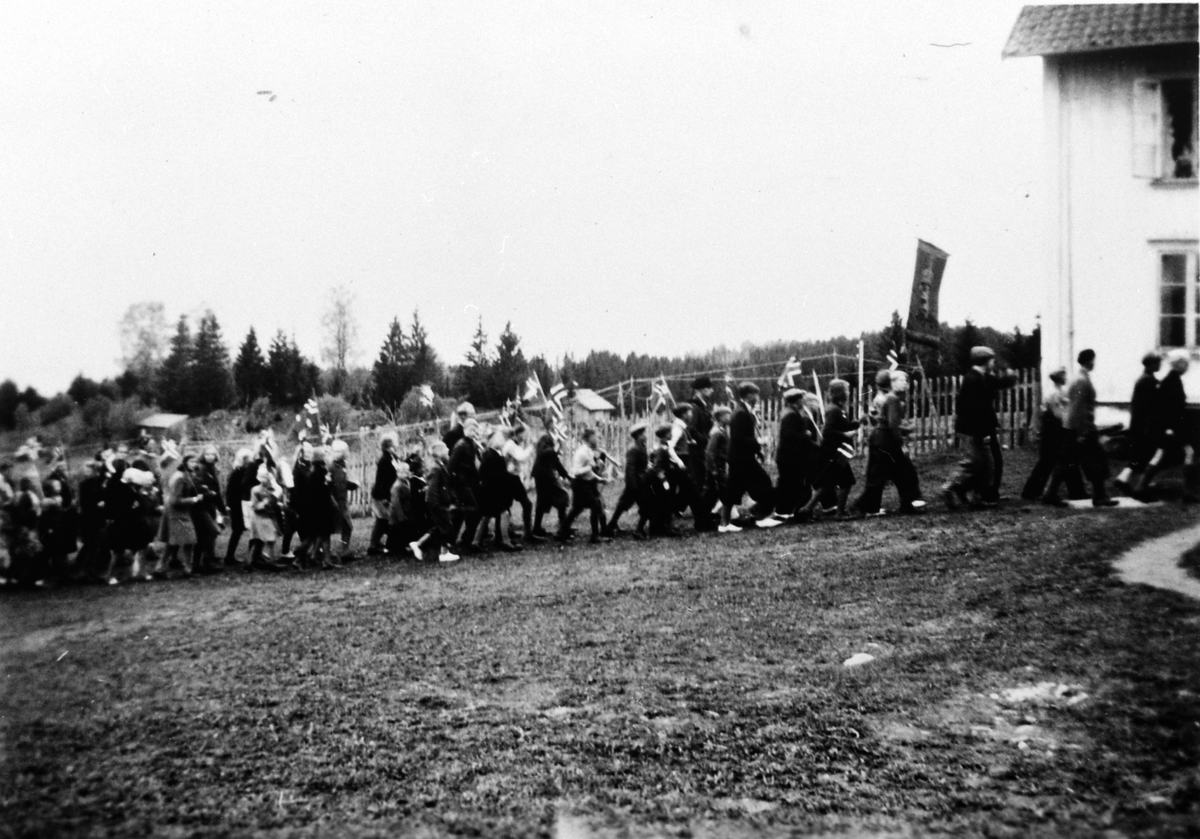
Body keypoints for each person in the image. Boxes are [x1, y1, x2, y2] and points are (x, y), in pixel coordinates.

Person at [942, 347, 1018, 508]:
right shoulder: (974, 379)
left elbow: (1000, 383)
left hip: (980, 427)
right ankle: (952, 488)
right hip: (973, 429)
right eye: (992, 360)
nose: (994, 363)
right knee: (976, 463)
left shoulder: (982, 376)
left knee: (988, 463)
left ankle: (978, 495)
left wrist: (1011, 376)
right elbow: (976, 409)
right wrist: (983, 433)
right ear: (985, 361)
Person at [1042, 349, 1119, 507]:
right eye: (1093, 360)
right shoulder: (1081, 381)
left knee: (1067, 461)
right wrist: (1082, 432)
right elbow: (1077, 407)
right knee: (1095, 460)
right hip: (1081, 428)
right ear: (1088, 361)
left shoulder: (1081, 378)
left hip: (1075, 427)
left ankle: (1050, 493)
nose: (1094, 363)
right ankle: (1099, 496)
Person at [852, 370, 922, 516]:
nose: (905, 383)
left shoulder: (885, 397)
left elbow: (880, 420)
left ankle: (906, 504)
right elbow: (893, 425)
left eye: (905, 380)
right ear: (891, 382)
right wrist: (902, 444)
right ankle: (862, 507)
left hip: (881, 439)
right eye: (901, 380)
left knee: (900, 473)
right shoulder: (892, 399)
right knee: (892, 474)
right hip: (886, 440)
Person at [1133, 349, 1196, 500]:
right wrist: (1169, 427)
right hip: (1172, 428)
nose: (1187, 367)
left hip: (1171, 427)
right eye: (1185, 364)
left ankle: (1140, 486)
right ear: (1177, 364)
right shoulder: (1171, 382)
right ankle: (1187, 492)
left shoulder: (1173, 380)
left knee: (1161, 456)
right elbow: (1165, 407)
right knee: (1188, 453)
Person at [800, 379, 862, 520]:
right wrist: (844, 434)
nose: (848, 392)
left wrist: (859, 422)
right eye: (846, 390)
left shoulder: (837, 408)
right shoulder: (834, 410)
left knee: (829, 482)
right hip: (835, 453)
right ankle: (839, 514)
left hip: (836, 452)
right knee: (846, 482)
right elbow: (828, 431)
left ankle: (807, 508)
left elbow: (843, 426)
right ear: (839, 393)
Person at [1021, 367, 1085, 501]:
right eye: (1064, 375)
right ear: (1059, 378)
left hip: (1054, 428)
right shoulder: (1055, 393)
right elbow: (1058, 414)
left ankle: (1076, 491)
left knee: (1065, 460)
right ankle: (1031, 491)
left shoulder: (1058, 392)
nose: (1066, 378)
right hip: (1053, 429)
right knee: (1049, 461)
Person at [727, 382, 782, 527]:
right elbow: (738, 438)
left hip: (738, 457)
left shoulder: (742, 411)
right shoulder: (741, 413)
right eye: (756, 394)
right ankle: (761, 517)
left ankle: (728, 519)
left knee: (734, 489)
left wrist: (757, 450)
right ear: (749, 395)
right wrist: (759, 441)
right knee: (763, 482)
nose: (758, 397)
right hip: (742, 458)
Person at [1115, 353, 1163, 495]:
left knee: (1140, 456)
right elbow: (1146, 407)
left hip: (1140, 425)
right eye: (1157, 363)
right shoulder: (1148, 381)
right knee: (1142, 456)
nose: (1159, 365)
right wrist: (1147, 426)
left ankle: (1126, 479)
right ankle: (1127, 480)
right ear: (1150, 364)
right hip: (1144, 426)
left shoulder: (1145, 379)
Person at [409, 441, 460, 563]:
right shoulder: (436, 468)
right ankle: (444, 553)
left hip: (440, 502)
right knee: (447, 527)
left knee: (439, 527)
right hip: (437, 504)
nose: (448, 450)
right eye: (446, 448)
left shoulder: (440, 466)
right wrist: (436, 504)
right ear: (439, 452)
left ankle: (418, 544)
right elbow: (432, 489)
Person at [559, 427, 611, 543]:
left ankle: (561, 533)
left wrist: (600, 478)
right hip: (580, 484)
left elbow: (590, 472)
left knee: (577, 509)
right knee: (595, 506)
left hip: (585, 483)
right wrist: (592, 468)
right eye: (596, 437)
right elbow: (576, 472)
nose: (598, 439)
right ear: (590, 438)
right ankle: (595, 536)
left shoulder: (589, 451)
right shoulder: (583, 452)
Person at [775, 388, 821, 519]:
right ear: (797, 400)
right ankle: (785, 512)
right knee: (791, 486)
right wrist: (805, 436)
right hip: (789, 456)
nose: (803, 401)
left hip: (788, 456)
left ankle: (787, 511)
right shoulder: (791, 415)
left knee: (791, 485)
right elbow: (788, 434)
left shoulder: (789, 412)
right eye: (801, 398)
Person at [476, 427, 520, 552]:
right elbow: (493, 474)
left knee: (487, 516)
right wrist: (507, 472)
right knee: (504, 514)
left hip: (489, 491)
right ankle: (505, 541)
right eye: (500, 438)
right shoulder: (492, 455)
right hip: (493, 491)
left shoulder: (491, 454)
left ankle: (476, 541)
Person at [157, 453, 200, 578]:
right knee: (184, 541)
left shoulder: (185, 475)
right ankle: (186, 568)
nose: (194, 464)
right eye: (191, 462)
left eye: (195, 462)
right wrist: (194, 500)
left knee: (175, 542)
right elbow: (175, 500)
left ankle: (161, 568)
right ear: (185, 463)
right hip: (176, 513)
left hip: (180, 512)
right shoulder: (180, 478)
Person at [605, 421, 649, 536]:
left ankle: (612, 524)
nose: (645, 436)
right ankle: (639, 530)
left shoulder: (641, 447)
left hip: (639, 481)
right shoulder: (634, 449)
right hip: (636, 482)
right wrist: (632, 484)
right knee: (646, 505)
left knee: (624, 503)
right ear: (638, 436)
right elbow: (630, 468)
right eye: (643, 434)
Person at [448, 419, 483, 554]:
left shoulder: (472, 444)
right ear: (465, 430)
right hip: (462, 484)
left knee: (461, 514)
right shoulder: (461, 445)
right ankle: (467, 541)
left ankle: (457, 540)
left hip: (470, 482)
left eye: (475, 430)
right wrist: (454, 486)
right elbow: (451, 466)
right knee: (473, 511)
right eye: (471, 429)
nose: (474, 432)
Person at [531, 417, 570, 539]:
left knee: (543, 501)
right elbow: (541, 452)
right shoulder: (545, 436)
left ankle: (537, 528)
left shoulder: (550, 436)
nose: (556, 424)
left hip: (543, 473)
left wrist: (565, 474)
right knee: (562, 496)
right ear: (550, 425)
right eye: (554, 422)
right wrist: (554, 449)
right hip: (544, 473)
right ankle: (562, 531)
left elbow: (555, 460)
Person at [704, 405, 740, 533]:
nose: (729, 418)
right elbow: (710, 452)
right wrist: (713, 469)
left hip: (722, 466)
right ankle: (724, 523)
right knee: (725, 494)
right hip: (718, 467)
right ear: (720, 417)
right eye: (727, 415)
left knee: (725, 493)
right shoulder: (717, 432)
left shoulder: (722, 430)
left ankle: (724, 519)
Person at [688, 376, 716, 530]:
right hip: (698, 452)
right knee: (701, 486)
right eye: (709, 388)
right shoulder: (695, 407)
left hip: (703, 451)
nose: (711, 391)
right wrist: (706, 440)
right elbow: (691, 429)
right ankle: (701, 521)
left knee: (707, 486)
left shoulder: (703, 406)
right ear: (701, 390)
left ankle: (704, 517)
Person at [191, 445, 226, 574]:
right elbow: (196, 486)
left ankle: (197, 564)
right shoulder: (201, 468)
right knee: (212, 532)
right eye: (207, 454)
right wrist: (207, 491)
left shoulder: (212, 469)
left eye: (212, 454)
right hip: (200, 506)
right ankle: (207, 561)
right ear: (203, 455)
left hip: (209, 506)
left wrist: (221, 508)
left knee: (202, 536)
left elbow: (217, 491)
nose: (210, 457)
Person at [503, 423, 536, 543]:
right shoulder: (511, 445)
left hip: (513, 478)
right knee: (508, 506)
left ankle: (517, 532)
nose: (526, 436)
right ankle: (524, 533)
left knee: (509, 506)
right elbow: (521, 457)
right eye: (524, 434)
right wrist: (531, 447)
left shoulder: (515, 444)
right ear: (518, 434)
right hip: (509, 478)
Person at [368, 434, 400, 555]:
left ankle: (375, 543)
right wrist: (385, 499)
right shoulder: (384, 461)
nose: (395, 446)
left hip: (389, 493)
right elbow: (382, 482)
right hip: (381, 495)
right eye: (393, 445)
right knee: (382, 520)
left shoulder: (394, 457)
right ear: (387, 447)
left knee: (381, 520)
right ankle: (373, 545)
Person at [223, 448, 254, 567]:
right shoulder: (237, 472)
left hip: (246, 503)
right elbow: (230, 490)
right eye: (247, 459)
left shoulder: (248, 471)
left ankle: (252, 555)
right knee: (237, 530)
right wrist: (229, 505)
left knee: (250, 530)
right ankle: (229, 556)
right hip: (237, 505)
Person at [328, 439, 358, 562]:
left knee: (346, 527)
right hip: (335, 501)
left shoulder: (342, 465)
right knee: (338, 527)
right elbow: (331, 485)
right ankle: (334, 552)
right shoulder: (332, 467)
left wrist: (351, 485)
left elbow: (342, 482)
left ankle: (344, 550)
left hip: (342, 500)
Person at [250, 465, 284, 566]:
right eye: (263, 477)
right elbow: (255, 506)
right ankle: (271, 562)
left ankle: (253, 561)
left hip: (268, 517)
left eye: (268, 478)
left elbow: (275, 501)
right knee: (268, 540)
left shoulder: (272, 490)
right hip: (261, 518)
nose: (266, 480)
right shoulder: (256, 490)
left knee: (266, 540)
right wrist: (265, 502)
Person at [387, 461, 415, 555]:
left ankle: (401, 546)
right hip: (397, 513)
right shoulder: (397, 486)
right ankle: (394, 549)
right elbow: (396, 503)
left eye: (407, 471)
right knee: (396, 530)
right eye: (403, 472)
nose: (406, 473)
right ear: (398, 473)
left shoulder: (406, 482)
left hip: (406, 510)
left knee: (403, 530)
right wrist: (401, 516)